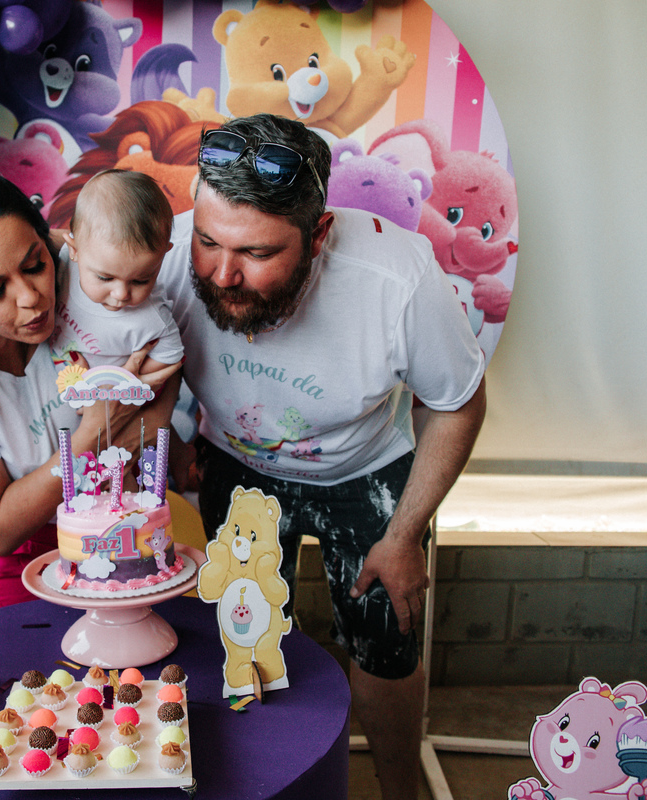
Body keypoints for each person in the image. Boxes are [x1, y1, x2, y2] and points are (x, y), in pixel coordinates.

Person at [161, 114, 486, 800]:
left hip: (363, 474)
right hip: (238, 468)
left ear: (319, 234)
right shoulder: (171, 264)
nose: (222, 273)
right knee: (242, 633)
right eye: (209, 241)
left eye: (256, 253)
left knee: (385, 643)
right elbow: (145, 367)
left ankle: (399, 787)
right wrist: (183, 434)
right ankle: (264, 783)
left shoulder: (394, 278)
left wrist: (403, 535)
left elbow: (456, 403)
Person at [0, 164, 177, 606]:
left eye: (34, 265)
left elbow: (161, 350)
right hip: (8, 569)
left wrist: (147, 428)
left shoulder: (89, 271)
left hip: (120, 531)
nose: (31, 298)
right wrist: (93, 433)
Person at [50, 169, 183, 374]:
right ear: (74, 250)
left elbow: (171, 355)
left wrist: (122, 380)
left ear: (163, 257)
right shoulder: (64, 263)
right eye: (105, 277)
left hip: (112, 394)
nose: (121, 294)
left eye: (141, 280)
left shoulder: (153, 319)